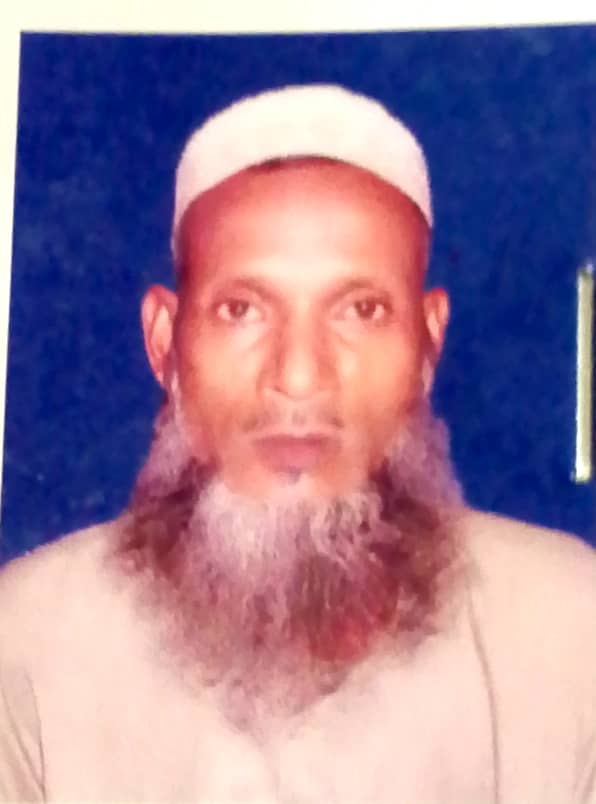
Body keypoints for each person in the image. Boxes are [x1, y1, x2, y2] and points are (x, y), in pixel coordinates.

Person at [0, 83, 595, 803]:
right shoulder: (27, 641)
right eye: (242, 309)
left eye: (361, 310)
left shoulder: (571, 628)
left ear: (427, 343)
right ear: (164, 342)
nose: (299, 376)